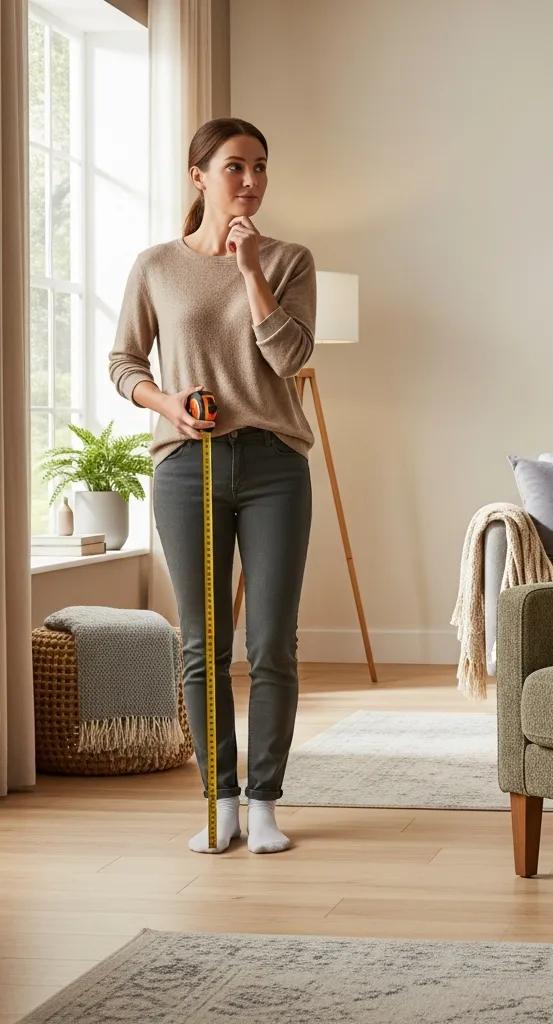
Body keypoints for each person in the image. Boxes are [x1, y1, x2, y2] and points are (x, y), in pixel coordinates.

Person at [108, 117, 316, 854]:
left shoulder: (289, 259)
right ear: (199, 175)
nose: (252, 181)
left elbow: (292, 360)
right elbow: (125, 361)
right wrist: (167, 403)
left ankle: (263, 800)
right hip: (184, 468)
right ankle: (218, 798)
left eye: (261, 167)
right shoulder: (156, 265)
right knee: (203, 645)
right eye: (235, 167)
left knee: (272, 644)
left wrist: (251, 271)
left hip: (274, 468)